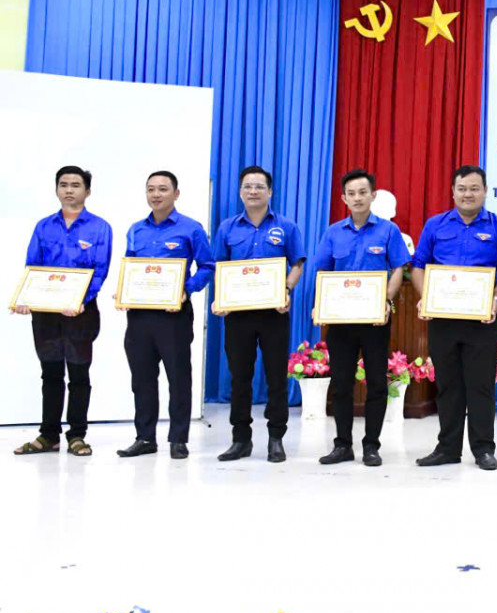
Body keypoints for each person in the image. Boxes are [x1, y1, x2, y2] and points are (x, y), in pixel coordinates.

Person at [413, 165, 497, 471]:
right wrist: (425, 297)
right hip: (443, 318)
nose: (468, 194)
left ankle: (483, 449)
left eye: (474, 188)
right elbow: (419, 265)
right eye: (462, 188)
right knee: (447, 384)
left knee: (480, 385)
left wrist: (495, 299)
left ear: (485, 191)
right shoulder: (435, 225)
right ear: (453, 191)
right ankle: (447, 448)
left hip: (481, 320)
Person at [11, 166, 113, 457]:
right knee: (50, 373)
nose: (69, 190)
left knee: (79, 374)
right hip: (45, 313)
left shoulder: (99, 228)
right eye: (64, 184)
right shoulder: (44, 226)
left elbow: (100, 270)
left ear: (87, 191)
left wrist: (81, 299)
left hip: (81, 312)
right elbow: (33, 266)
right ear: (57, 189)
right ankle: (48, 435)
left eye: (76, 185)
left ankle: (77, 435)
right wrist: (26, 298)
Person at [311, 168, 409, 467]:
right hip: (340, 322)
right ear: (344, 198)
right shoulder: (333, 232)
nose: (357, 198)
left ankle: (371, 446)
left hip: (374, 320)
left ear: (373, 195)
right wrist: (319, 305)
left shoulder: (388, 231)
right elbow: (323, 272)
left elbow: (398, 268)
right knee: (341, 384)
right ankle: (342, 445)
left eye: (363, 192)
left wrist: (386, 300)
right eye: (351, 194)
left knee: (377, 383)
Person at [116, 171, 214, 460]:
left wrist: (186, 290)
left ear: (176, 193)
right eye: (151, 189)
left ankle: (178, 439)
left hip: (174, 315)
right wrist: (123, 291)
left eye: (162, 189)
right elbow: (130, 265)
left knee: (178, 377)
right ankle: (145, 437)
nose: (156, 194)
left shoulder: (191, 228)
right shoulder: (136, 229)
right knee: (142, 378)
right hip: (139, 316)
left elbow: (207, 266)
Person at [211, 166, 306, 464]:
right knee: (240, 378)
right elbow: (220, 268)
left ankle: (276, 438)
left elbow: (298, 264)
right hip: (238, 315)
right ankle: (241, 439)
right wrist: (220, 299)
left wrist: (286, 290)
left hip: (273, 313)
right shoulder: (227, 228)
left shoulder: (286, 226)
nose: (253, 191)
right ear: (240, 192)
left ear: (270, 192)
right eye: (248, 186)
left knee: (276, 377)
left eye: (259, 186)